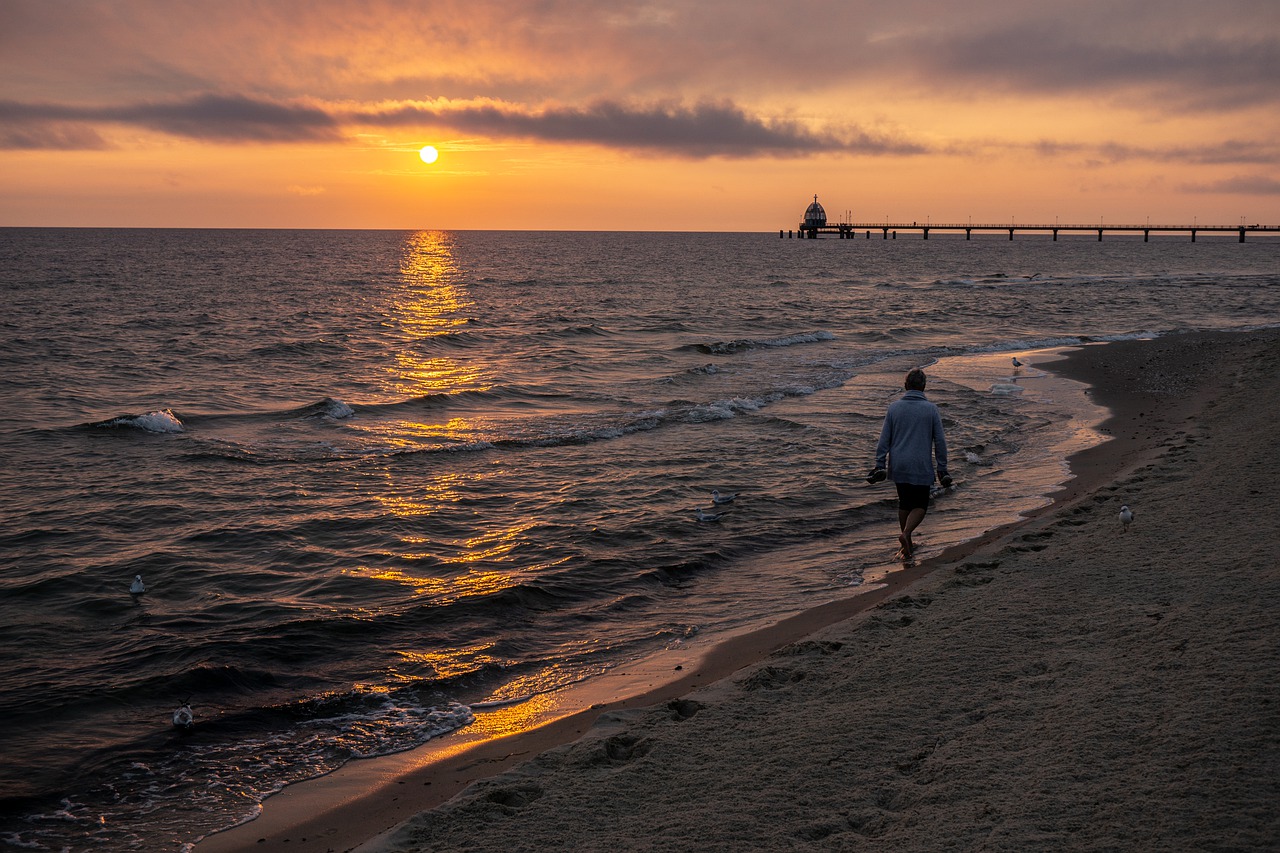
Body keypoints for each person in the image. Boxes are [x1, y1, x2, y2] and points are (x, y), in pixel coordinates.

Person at [867, 368, 951, 559]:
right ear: (924, 386)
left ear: (906, 386)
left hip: (898, 463)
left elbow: (884, 439)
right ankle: (905, 534)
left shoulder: (894, 408)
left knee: (905, 503)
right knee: (921, 504)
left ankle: (908, 546)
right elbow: (940, 441)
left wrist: (880, 463)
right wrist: (942, 467)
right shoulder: (931, 409)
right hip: (920, 463)